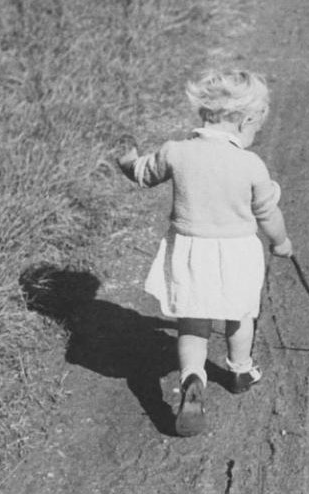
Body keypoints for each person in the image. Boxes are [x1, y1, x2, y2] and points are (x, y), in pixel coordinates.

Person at [117, 69, 292, 436]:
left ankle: (193, 377)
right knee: (239, 315)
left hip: (191, 251)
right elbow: (267, 213)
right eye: (257, 125)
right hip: (238, 254)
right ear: (245, 120)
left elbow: (144, 173)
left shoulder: (177, 152)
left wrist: (127, 162)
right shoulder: (250, 165)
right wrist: (280, 242)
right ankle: (240, 369)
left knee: (194, 322)